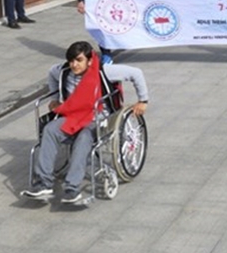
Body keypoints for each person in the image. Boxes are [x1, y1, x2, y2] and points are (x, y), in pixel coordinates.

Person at [21, 41, 150, 205]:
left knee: (84, 136)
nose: (74, 65)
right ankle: (43, 184)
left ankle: (72, 188)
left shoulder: (104, 70)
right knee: (50, 129)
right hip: (73, 115)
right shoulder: (63, 71)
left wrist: (143, 100)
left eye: (79, 60)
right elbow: (51, 73)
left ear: (90, 60)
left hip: (98, 118)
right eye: (71, 60)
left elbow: (136, 73)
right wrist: (55, 99)